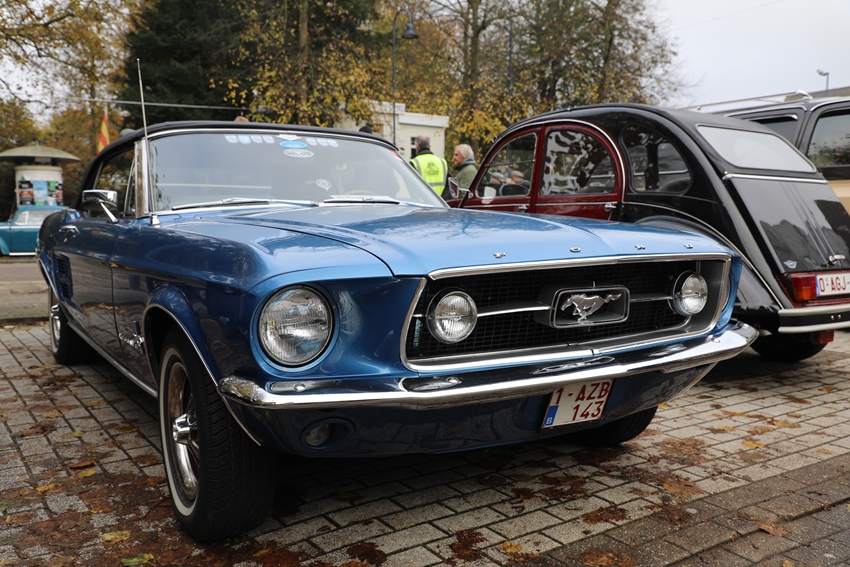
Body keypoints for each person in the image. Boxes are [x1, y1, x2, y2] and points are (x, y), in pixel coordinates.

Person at [410, 134, 449, 198]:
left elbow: (411, 187)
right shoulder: (443, 162)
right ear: (430, 146)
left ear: (417, 147)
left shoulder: (414, 163)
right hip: (441, 202)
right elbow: (449, 186)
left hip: (423, 202)